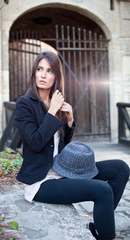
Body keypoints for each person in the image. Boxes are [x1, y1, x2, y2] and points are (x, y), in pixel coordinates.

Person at [15, 51, 130, 240]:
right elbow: (35, 143)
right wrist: (52, 111)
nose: (43, 75)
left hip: (62, 170)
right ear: (34, 72)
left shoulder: (56, 101)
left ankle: (101, 224)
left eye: (49, 71)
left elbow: (60, 147)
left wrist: (69, 121)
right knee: (102, 190)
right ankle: (107, 236)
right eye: (39, 69)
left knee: (120, 169)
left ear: (56, 77)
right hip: (41, 181)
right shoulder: (25, 104)